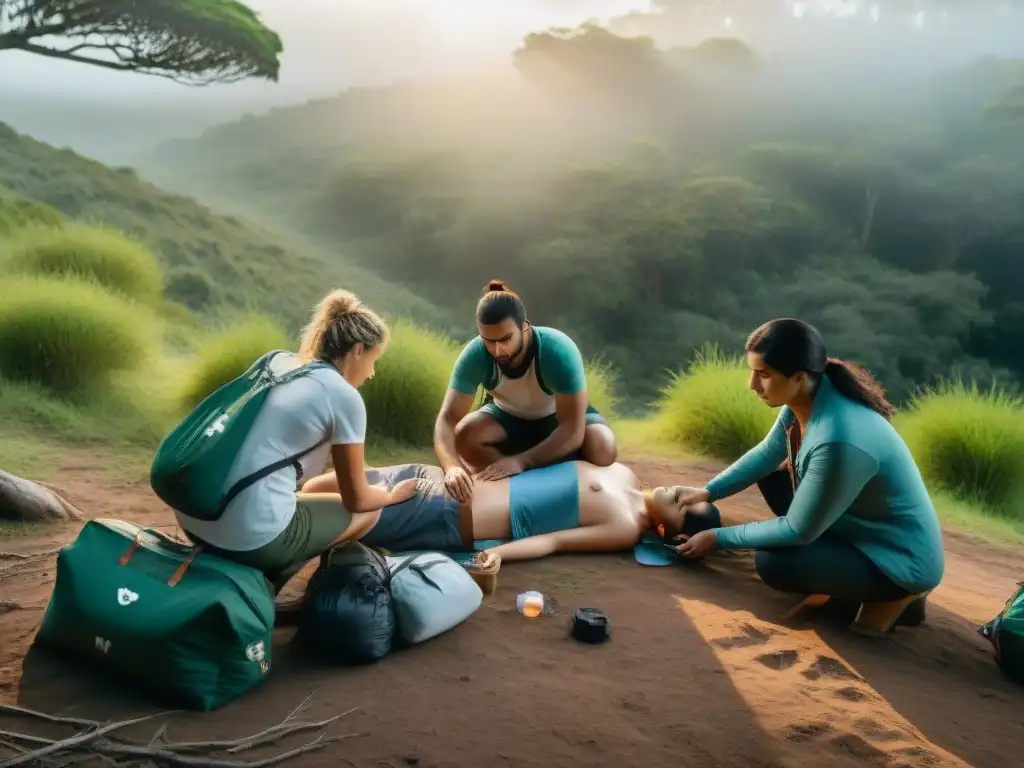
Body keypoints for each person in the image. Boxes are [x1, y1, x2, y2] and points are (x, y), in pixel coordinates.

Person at [668, 318, 945, 636]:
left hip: (898, 559)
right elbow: (768, 453)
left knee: (775, 562)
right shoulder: (807, 395)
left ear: (799, 376)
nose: (753, 385)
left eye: (764, 375)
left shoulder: (839, 439)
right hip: (857, 527)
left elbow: (796, 530)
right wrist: (709, 491)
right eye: (753, 372)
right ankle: (850, 581)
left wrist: (718, 538)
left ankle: (894, 597)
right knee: (774, 479)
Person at [173, 289, 421, 594]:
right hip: (244, 536)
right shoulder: (343, 396)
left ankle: (246, 578)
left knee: (305, 497)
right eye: (374, 360)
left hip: (195, 513)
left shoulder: (279, 363)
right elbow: (358, 500)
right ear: (358, 350)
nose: (372, 374)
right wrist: (391, 495)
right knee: (370, 512)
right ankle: (262, 591)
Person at [300, 460, 719, 565]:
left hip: (446, 516)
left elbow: (554, 542)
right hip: (436, 476)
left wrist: (496, 554)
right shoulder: (620, 469)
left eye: (684, 507)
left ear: (670, 531)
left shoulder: (624, 527)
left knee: (312, 517)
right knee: (314, 488)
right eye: (690, 493)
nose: (681, 494)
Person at [433, 280, 618, 504]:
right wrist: (452, 467)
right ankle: (514, 488)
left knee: (602, 447)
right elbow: (447, 419)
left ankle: (569, 483)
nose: (498, 350)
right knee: (465, 435)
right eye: (489, 341)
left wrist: (522, 461)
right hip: (507, 419)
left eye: (506, 339)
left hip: (558, 421)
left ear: (524, 327)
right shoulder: (476, 355)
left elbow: (572, 428)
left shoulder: (556, 350)